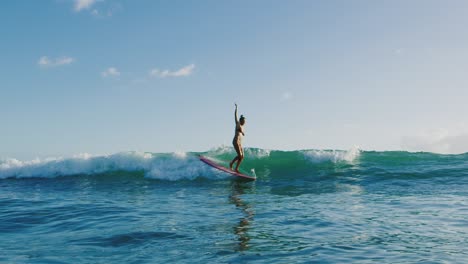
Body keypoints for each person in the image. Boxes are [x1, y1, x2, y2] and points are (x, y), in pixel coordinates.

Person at [230, 104, 246, 172]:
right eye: (244, 121)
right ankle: (231, 163)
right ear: (241, 120)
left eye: (245, 121)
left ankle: (236, 168)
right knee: (239, 155)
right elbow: (235, 116)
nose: (245, 122)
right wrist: (236, 108)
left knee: (242, 156)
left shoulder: (242, 127)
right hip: (235, 141)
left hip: (240, 143)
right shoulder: (238, 124)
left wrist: (242, 132)